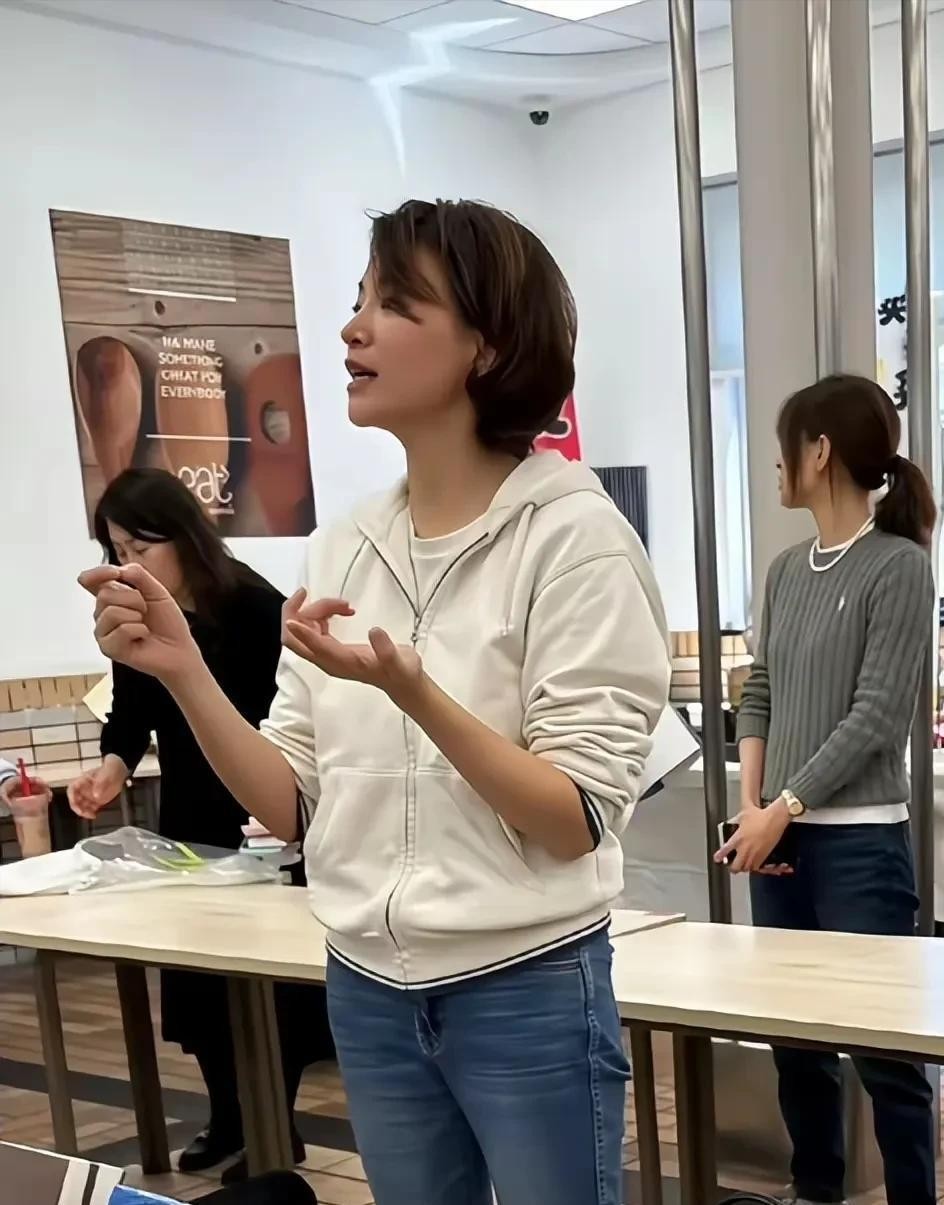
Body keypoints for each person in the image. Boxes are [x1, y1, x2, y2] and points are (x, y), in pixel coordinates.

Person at [78, 199, 670, 1205]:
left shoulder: (575, 539)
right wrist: (182, 669)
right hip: (368, 986)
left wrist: (416, 693)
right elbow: (291, 802)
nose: (353, 328)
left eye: (395, 304)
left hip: (525, 983)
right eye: (359, 300)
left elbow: (574, 816)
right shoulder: (345, 544)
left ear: (486, 346)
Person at [69, 468, 333, 1184]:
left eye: (141, 547)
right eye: (117, 549)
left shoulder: (251, 605)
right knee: (198, 985)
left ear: (184, 537)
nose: (128, 563)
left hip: (256, 815)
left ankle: (275, 1127)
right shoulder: (138, 616)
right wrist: (112, 767)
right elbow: (130, 708)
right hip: (186, 817)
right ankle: (227, 1117)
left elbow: (290, 721)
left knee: (266, 989)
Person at [717, 374, 938, 1205]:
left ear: (819, 451)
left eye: (785, 446)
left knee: (887, 1052)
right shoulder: (784, 570)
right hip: (779, 835)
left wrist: (781, 808)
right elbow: (761, 689)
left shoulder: (900, 567)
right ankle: (815, 1190)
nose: (776, 464)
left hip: (861, 846)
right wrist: (753, 806)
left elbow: (877, 716)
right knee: (795, 1041)